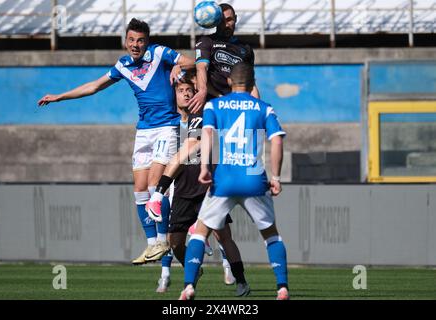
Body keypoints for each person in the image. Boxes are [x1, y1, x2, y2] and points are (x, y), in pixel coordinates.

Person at [37, 18, 195, 265]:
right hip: (143, 130)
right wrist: (60, 97)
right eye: (131, 40)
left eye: (140, 40)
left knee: (155, 184)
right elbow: (94, 86)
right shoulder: (123, 65)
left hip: (166, 127)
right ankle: (152, 244)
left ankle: (164, 241)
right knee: (140, 190)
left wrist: (180, 68)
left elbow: (193, 61)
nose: (135, 44)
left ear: (147, 42)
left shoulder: (159, 53)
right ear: (125, 41)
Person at [179, 62, 290, 300]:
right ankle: (282, 288)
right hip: (253, 179)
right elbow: (277, 141)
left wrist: (205, 167)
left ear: (229, 81)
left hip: (225, 179)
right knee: (271, 235)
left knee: (200, 233)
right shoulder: (264, 108)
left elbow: (206, 134)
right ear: (252, 83)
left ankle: (189, 286)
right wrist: (277, 177)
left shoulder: (214, 105)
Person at [147, 76, 249, 296]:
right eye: (181, 90)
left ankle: (240, 280)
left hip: (207, 186)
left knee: (223, 236)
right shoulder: (170, 123)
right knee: (175, 244)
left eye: (190, 89)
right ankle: (193, 271)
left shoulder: (208, 110)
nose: (187, 93)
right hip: (183, 188)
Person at [188, 3, 260, 114]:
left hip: (236, 106)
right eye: (221, 21)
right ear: (215, 21)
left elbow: (250, 83)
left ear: (235, 19)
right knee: (199, 131)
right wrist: (202, 91)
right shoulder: (206, 41)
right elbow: (201, 67)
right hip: (211, 103)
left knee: (253, 130)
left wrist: (257, 108)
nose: (226, 25)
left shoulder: (246, 49)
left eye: (229, 20)